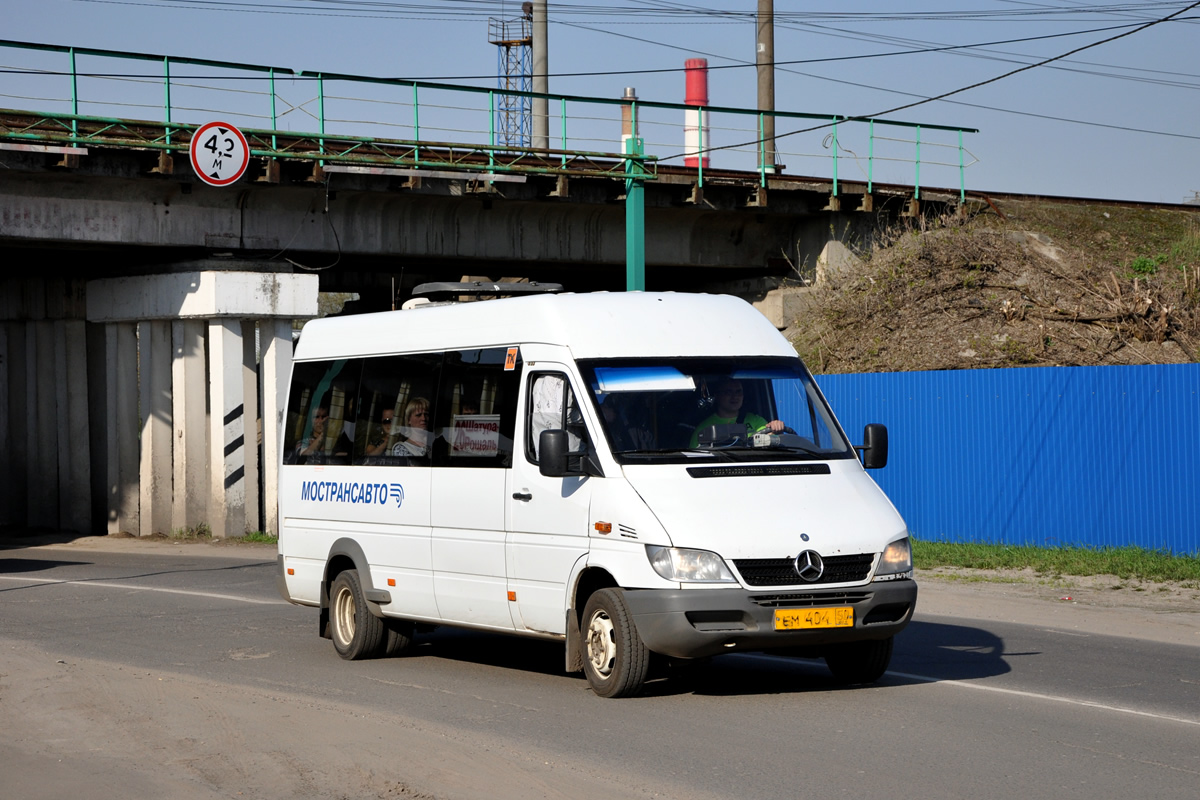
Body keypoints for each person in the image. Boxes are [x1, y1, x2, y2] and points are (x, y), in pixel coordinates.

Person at [690, 378, 784, 447]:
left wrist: (776, 428)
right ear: (717, 396)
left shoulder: (756, 421)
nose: (735, 397)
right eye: (728, 392)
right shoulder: (704, 428)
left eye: (738, 392)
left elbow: (770, 439)